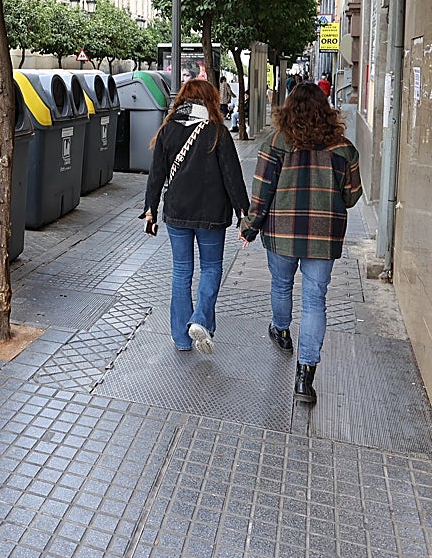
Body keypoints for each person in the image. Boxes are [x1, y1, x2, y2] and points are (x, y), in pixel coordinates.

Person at [239, 83, 362, 403]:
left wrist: (250, 227)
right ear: (326, 110)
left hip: (282, 232)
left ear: (288, 109)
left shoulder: (275, 142)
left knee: (281, 285)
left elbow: (261, 193)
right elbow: (352, 197)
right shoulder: (343, 149)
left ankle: (281, 332)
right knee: (314, 300)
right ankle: (305, 378)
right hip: (323, 235)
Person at [143, 80, 250, 354]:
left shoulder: (168, 130)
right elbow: (232, 176)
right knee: (211, 268)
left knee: (181, 271)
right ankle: (201, 319)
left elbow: (156, 175)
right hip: (211, 214)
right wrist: (244, 214)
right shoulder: (217, 132)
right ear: (210, 100)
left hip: (177, 212)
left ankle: (181, 338)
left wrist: (150, 210)